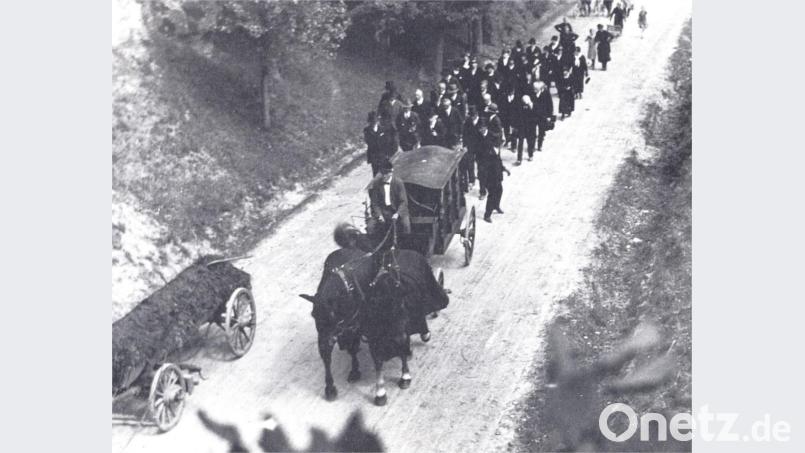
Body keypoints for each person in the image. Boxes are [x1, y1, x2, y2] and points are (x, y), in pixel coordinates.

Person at [368, 160, 411, 238]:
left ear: (391, 173)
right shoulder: (377, 183)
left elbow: (403, 202)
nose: (383, 176)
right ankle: (373, 244)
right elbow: (374, 202)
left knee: (406, 225)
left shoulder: (398, 183)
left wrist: (397, 214)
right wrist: (379, 215)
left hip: (397, 211)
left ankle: (405, 243)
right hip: (384, 211)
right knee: (370, 226)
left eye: (386, 173)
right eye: (382, 173)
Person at [477, 121, 510, 223]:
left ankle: (496, 206)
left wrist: (504, 169)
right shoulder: (485, 147)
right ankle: (487, 215)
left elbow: (498, 160)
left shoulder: (495, 148)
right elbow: (481, 162)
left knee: (499, 190)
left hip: (497, 172)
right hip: (488, 174)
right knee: (492, 193)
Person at [461, 106, 482, 192]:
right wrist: (465, 145)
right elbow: (465, 134)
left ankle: (481, 178)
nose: (472, 117)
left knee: (480, 163)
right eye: (471, 115)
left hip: (480, 146)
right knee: (470, 163)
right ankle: (471, 180)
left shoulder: (482, 121)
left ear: (477, 114)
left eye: (474, 115)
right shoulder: (468, 121)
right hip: (470, 146)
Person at [515, 94, 538, 165]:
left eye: (525, 101)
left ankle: (530, 155)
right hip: (522, 127)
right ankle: (519, 159)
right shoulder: (522, 106)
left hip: (531, 128)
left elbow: (537, 116)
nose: (524, 103)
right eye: (523, 101)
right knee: (520, 143)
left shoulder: (535, 106)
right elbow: (519, 116)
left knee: (530, 142)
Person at [534, 81, 554, 152]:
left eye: (536, 89)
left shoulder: (546, 93)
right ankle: (532, 145)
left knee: (541, 131)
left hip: (543, 116)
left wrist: (549, 116)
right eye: (534, 89)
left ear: (540, 89)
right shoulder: (532, 94)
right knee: (532, 131)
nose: (534, 90)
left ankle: (539, 145)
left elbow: (550, 105)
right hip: (534, 115)